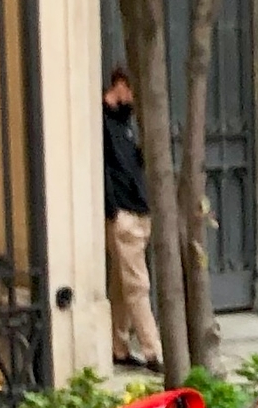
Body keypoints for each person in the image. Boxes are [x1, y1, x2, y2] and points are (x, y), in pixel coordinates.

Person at [103, 67, 163, 371]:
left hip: (137, 211)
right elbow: (106, 170)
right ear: (121, 85)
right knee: (138, 285)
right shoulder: (103, 122)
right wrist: (114, 211)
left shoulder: (124, 123)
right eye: (132, 91)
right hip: (124, 214)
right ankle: (154, 351)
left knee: (122, 284)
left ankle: (119, 345)